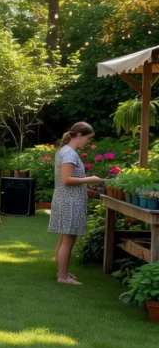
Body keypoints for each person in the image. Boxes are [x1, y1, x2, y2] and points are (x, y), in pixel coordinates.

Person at [50, 122, 105, 285]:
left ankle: (62, 273)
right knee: (68, 241)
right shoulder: (70, 154)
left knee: (63, 240)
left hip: (65, 200)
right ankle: (63, 277)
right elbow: (66, 180)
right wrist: (93, 179)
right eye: (88, 138)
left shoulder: (64, 151)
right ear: (79, 134)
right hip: (69, 202)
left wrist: (88, 190)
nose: (88, 142)